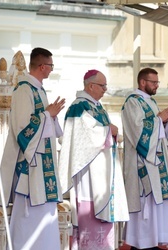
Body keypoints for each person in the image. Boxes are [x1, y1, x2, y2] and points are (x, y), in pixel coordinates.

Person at [0, 47, 65, 250]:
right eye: (51, 66)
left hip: (43, 166)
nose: (52, 70)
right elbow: (22, 129)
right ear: (43, 66)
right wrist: (47, 115)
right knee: (28, 219)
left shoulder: (38, 90)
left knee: (46, 216)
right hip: (30, 166)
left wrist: (50, 115)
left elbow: (44, 124)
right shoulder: (24, 90)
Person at [59, 69, 129, 250]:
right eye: (102, 85)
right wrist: (108, 131)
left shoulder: (96, 106)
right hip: (88, 174)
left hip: (102, 172)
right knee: (90, 212)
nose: (105, 89)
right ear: (91, 86)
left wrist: (109, 131)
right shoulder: (79, 106)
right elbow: (83, 136)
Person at [121, 67, 168, 249]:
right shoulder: (132, 102)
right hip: (141, 164)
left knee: (156, 205)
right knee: (145, 206)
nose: (157, 86)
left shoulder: (151, 102)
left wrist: (164, 122)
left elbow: (159, 133)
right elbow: (137, 131)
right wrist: (159, 120)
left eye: (157, 82)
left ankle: (152, 241)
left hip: (156, 162)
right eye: (153, 82)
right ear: (142, 82)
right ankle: (141, 243)